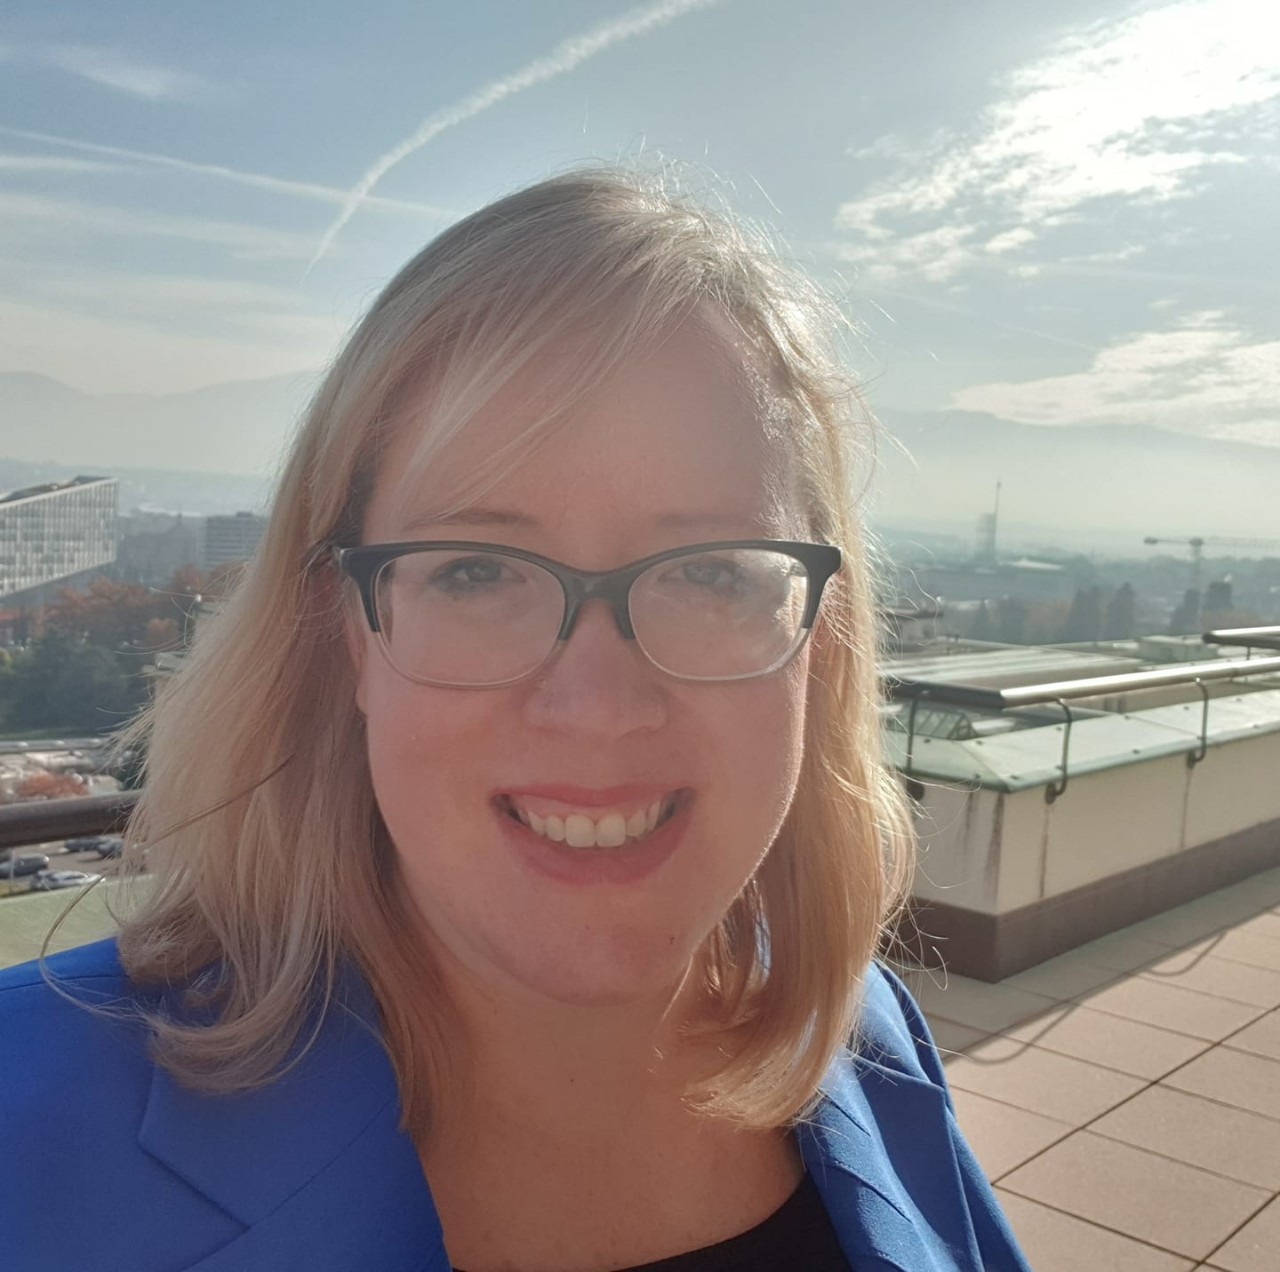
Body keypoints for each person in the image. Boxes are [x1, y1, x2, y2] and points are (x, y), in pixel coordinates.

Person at [0, 168, 1031, 1272]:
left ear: (819, 637)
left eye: (710, 572)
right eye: (478, 570)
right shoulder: (28, 1120)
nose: (597, 708)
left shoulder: (864, 1035)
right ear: (349, 634)